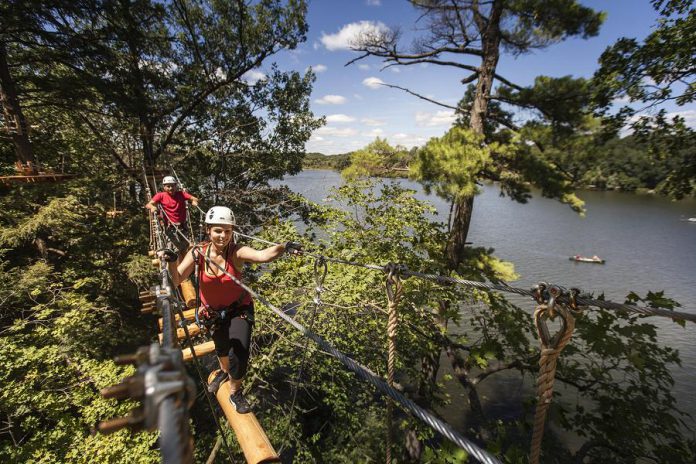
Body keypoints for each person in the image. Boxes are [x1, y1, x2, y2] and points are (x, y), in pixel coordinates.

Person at [165, 206, 301, 414]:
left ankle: (236, 391)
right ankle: (223, 371)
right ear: (208, 231)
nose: (223, 236)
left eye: (227, 231)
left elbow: (262, 255)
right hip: (212, 312)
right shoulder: (198, 253)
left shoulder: (236, 252)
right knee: (221, 349)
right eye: (218, 231)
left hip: (239, 309)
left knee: (239, 351)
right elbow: (176, 279)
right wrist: (173, 261)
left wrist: (284, 246)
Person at [146, 176, 199, 254]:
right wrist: (152, 207)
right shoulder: (160, 195)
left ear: (176, 186)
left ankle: (184, 265)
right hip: (170, 226)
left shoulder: (181, 194)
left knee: (185, 248)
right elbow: (148, 204)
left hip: (182, 226)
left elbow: (194, 198)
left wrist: (194, 201)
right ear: (164, 187)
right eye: (168, 186)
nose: (171, 188)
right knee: (174, 250)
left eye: (173, 186)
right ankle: (175, 264)